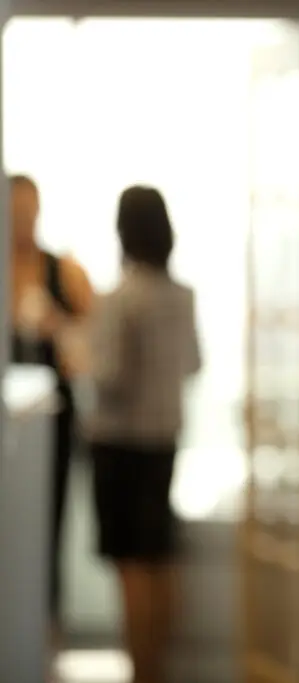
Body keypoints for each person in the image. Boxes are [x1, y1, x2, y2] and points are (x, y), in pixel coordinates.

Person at [87, 186, 201, 683]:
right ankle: (159, 669)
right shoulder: (182, 297)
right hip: (163, 439)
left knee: (131, 563)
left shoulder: (120, 299)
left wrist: (76, 349)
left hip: (120, 442)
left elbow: (110, 377)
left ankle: (142, 671)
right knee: (158, 556)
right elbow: (194, 363)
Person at [7, 174, 94, 638]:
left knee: (48, 523)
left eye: (29, 210)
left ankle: (46, 630)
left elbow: (93, 351)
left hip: (51, 421)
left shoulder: (66, 272)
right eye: (15, 211)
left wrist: (55, 326)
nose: (23, 220)